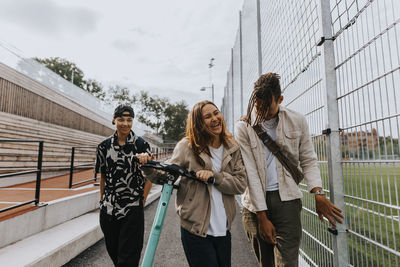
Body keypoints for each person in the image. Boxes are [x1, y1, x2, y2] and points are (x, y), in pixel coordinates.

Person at [235, 73, 344, 267]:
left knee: (288, 263)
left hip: (287, 202)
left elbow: (308, 160)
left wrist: (318, 193)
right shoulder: (244, 126)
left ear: (280, 100)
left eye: (267, 107)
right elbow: (250, 172)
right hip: (253, 205)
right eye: (258, 107)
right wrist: (262, 216)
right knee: (264, 262)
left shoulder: (297, 120)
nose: (261, 113)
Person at [142, 100, 247, 267]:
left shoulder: (232, 147)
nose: (214, 118)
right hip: (195, 230)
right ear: (198, 123)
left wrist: (214, 177)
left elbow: (241, 184)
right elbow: (167, 175)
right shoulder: (187, 146)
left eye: (216, 113)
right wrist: (146, 165)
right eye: (207, 116)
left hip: (224, 230)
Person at [95, 104, 152, 267]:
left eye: (129, 120)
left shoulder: (141, 145)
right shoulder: (103, 147)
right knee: (115, 254)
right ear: (114, 120)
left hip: (132, 208)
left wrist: (143, 199)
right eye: (121, 119)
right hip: (108, 209)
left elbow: (150, 176)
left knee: (128, 260)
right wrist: (102, 202)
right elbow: (103, 177)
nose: (125, 123)